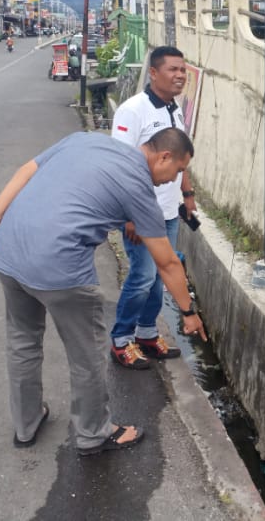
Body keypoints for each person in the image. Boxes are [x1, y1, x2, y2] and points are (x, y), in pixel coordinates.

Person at [0, 128, 207, 457]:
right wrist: (188, 313)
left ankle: (26, 425)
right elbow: (167, 263)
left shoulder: (85, 139)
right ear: (163, 156)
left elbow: (25, 171)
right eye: (177, 171)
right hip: (60, 268)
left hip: (8, 253)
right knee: (87, 353)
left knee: (22, 341)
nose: (173, 180)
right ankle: (93, 434)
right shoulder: (138, 186)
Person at [109, 46, 197, 368]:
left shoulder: (176, 110)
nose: (180, 76)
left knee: (161, 276)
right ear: (154, 73)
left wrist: (186, 195)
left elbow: (179, 158)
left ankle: (147, 333)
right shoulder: (133, 110)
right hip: (139, 214)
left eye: (183, 70)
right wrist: (129, 216)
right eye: (173, 70)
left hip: (168, 212)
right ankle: (121, 339)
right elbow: (120, 165)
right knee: (143, 277)